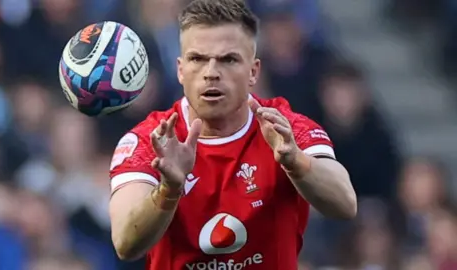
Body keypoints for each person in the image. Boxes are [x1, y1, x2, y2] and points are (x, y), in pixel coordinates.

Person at [108, 0, 357, 269]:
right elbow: (125, 243)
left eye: (228, 59)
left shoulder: (285, 129)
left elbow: (345, 204)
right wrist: (169, 189)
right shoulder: (152, 139)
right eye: (197, 59)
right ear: (180, 70)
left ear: (253, 71)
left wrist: (296, 162)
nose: (211, 73)